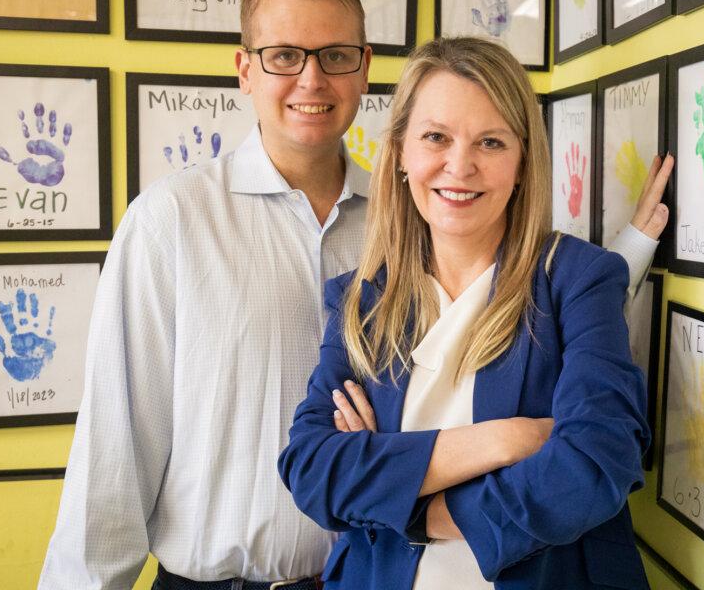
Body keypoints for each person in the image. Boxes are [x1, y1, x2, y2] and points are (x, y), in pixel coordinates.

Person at [39, 0, 670, 590]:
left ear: (363, 68)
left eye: (335, 55)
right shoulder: (174, 222)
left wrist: (394, 488)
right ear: (245, 69)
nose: (311, 77)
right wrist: (501, 441)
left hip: (349, 569)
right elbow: (122, 454)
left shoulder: (397, 229)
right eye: (284, 54)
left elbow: (563, 347)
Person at [281, 36, 674, 589]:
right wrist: (507, 440)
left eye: (490, 142)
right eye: (435, 137)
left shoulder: (577, 279)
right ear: (400, 155)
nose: (459, 166)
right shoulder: (360, 301)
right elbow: (313, 472)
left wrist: (410, 505)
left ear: (521, 163)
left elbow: (594, 463)